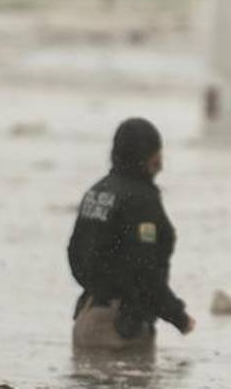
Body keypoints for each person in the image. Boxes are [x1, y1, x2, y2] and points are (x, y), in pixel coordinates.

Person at [68, 117, 195, 350]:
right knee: (131, 384)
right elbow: (145, 271)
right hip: (118, 330)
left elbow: (75, 253)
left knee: (90, 384)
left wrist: (99, 290)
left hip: (86, 320)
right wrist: (178, 317)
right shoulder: (141, 200)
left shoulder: (97, 191)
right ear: (149, 156)